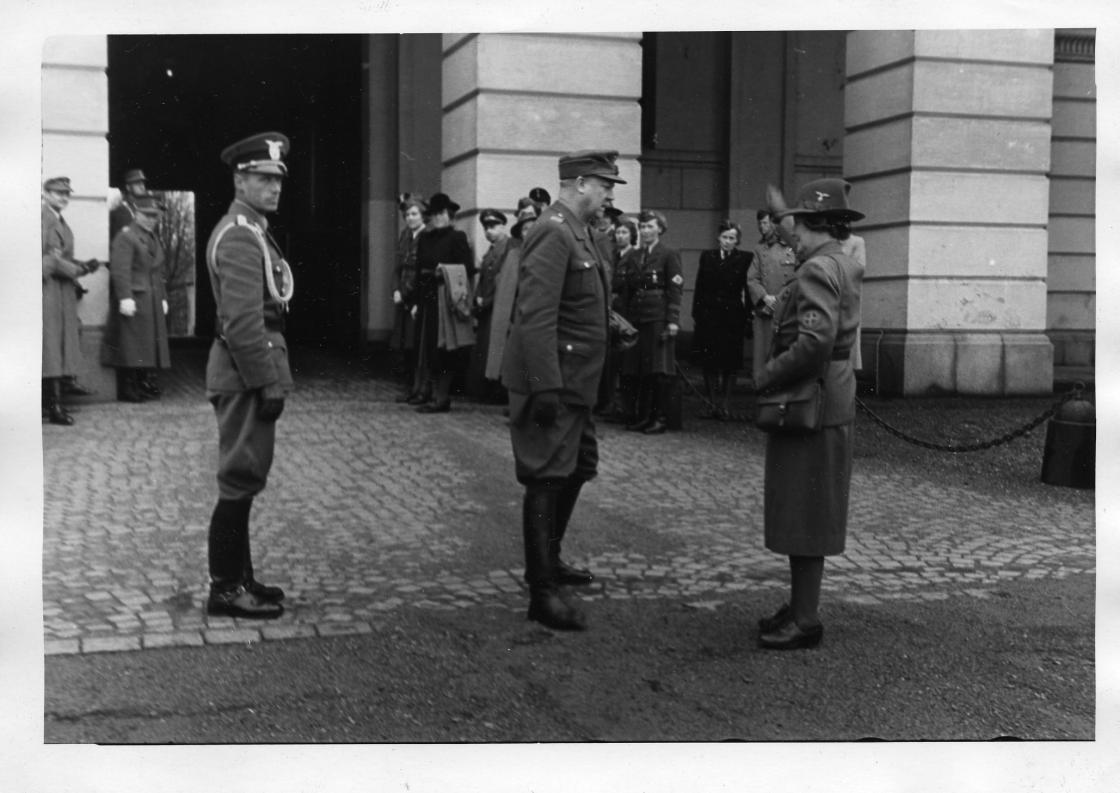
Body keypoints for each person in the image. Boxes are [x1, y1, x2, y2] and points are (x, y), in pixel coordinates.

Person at [502, 149, 625, 630]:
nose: (609, 194)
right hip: (555, 382)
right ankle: (541, 593)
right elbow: (534, 316)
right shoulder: (553, 231)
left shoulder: (580, 231)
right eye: (605, 185)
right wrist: (543, 388)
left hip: (578, 383)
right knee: (546, 477)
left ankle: (550, 561)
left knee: (578, 466)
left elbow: (580, 302)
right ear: (579, 183)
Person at [754, 178, 864, 650]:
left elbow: (814, 342)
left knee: (804, 509)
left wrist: (766, 376)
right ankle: (801, 604)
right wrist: (783, 209)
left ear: (816, 224)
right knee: (810, 508)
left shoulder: (817, 269)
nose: (791, 235)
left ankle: (805, 618)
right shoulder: (841, 260)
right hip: (830, 397)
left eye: (797, 225)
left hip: (810, 400)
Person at [202, 132, 296, 620]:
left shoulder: (253, 229)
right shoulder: (241, 234)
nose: (273, 187)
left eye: (277, 179)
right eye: (262, 178)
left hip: (246, 371)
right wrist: (266, 381)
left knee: (248, 475)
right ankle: (224, 589)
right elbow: (241, 322)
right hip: (244, 374)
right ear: (240, 180)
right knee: (239, 479)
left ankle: (241, 577)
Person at [42, 176, 101, 425]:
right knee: (51, 346)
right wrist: (79, 269)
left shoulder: (58, 220)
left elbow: (60, 257)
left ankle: (54, 399)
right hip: (47, 289)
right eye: (58, 193)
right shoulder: (43, 219)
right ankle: (54, 406)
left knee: (59, 343)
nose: (64, 197)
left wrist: (81, 264)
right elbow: (49, 260)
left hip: (60, 290)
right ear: (45, 193)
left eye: (67, 194)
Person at [102, 195, 172, 402]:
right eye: (146, 215)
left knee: (146, 343)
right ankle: (127, 387)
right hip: (135, 297)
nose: (151, 219)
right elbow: (120, 270)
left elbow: (157, 272)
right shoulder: (126, 236)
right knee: (131, 344)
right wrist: (125, 297)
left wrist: (163, 297)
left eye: (154, 216)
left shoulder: (152, 237)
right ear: (136, 214)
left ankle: (141, 383)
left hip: (151, 297)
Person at [621, 209, 683, 435]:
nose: (645, 231)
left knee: (658, 370)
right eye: (642, 227)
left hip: (658, 316)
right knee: (640, 369)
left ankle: (660, 418)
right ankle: (644, 416)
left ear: (660, 229)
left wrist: (672, 320)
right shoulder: (634, 256)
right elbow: (629, 289)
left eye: (650, 226)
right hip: (638, 316)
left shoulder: (669, 254)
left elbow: (675, 289)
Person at [413, 192, 474, 413]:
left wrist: (445, 271)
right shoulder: (425, 239)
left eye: (441, 213)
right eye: (434, 214)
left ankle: (442, 397)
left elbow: (467, 268)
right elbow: (418, 270)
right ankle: (426, 391)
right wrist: (417, 302)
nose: (438, 218)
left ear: (449, 215)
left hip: (445, 300)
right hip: (427, 299)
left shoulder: (457, 237)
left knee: (444, 348)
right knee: (427, 346)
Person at [691, 219, 752, 419]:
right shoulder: (707, 256)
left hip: (732, 315)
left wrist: (748, 316)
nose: (727, 241)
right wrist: (697, 313)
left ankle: (725, 404)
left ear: (737, 240)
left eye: (732, 238)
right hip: (709, 314)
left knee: (730, 362)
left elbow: (748, 289)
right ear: (718, 238)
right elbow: (700, 286)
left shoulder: (745, 258)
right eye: (725, 237)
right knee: (709, 361)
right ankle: (711, 403)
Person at [747, 209, 798, 383]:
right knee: (764, 354)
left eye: (766, 223)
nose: (762, 227)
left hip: (787, 309)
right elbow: (752, 278)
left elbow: (797, 278)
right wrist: (764, 297)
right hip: (766, 310)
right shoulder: (759, 249)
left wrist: (781, 298)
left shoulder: (792, 247)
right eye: (760, 223)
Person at [467, 208, 510, 401]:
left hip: (498, 307)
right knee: (485, 349)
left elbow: (504, 281)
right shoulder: (490, 252)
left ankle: (499, 390)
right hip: (486, 308)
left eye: (493, 226)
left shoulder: (508, 249)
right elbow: (483, 278)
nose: (489, 231)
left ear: (503, 226)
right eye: (486, 227)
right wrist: (477, 297)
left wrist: (486, 300)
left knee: (497, 349)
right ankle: (488, 389)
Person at [391, 193, 427, 403]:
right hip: (402, 297)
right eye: (407, 215)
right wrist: (396, 289)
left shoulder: (427, 236)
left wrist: (411, 297)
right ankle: (410, 387)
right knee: (404, 344)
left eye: (414, 214)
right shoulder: (405, 235)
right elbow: (397, 266)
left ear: (423, 215)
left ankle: (419, 388)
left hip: (415, 298)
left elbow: (422, 271)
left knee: (416, 345)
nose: (410, 218)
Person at [840, 231, 867, 370]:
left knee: (849, 330)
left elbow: (859, 268)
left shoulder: (857, 241)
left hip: (849, 293)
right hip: (833, 291)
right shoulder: (831, 242)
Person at [110, 168, 149, 241]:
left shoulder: (134, 207)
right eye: (138, 184)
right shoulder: (122, 211)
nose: (142, 187)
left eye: (143, 183)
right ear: (128, 187)